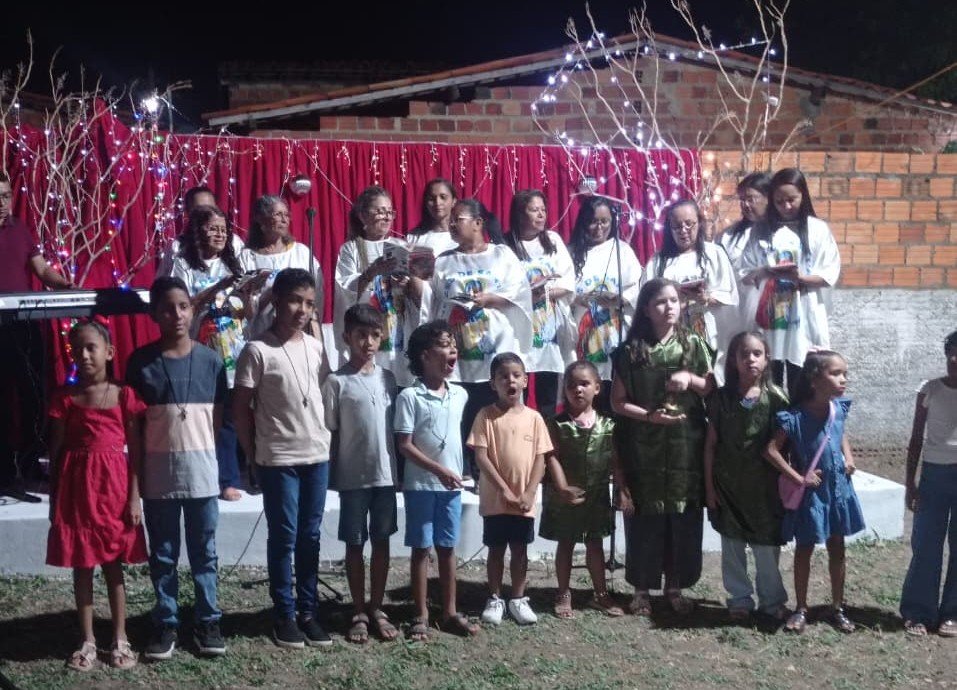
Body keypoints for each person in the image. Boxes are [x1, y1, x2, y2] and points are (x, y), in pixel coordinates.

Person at [126, 277, 227, 660]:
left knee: (205, 552)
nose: (177, 315)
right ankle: (166, 622)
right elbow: (135, 429)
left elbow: (217, 421)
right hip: (159, 476)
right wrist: (136, 486)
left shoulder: (211, 361)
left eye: (183, 306)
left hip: (201, 474)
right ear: (154, 314)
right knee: (164, 554)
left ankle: (208, 620)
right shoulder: (141, 363)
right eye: (167, 309)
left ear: (193, 309)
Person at [234, 268, 334, 649]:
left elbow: (321, 393)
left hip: (316, 454)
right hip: (278, 458)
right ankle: (284, 614)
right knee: (284, 536)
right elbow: (240, 408)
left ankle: (308, 611)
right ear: (276, 301)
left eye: (309, 303)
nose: (302, 310)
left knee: (310, 535)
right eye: (294, 301)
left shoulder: (316, 346)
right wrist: (251, 456)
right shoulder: (257, 350)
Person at [45, 320, 149, 671]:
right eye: (78, 349)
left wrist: (134, 497)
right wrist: (54, 497)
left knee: (113, 564)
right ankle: (87, 639)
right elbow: (56, 450)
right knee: (82, 565)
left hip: (112, 489)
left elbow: (135, 450)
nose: (85, 355)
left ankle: (120, 636)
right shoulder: (65, 398)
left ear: (109, 352)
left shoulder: (123, 395)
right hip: (76, 490)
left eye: (92, 347)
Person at [611, 278, 714, 617]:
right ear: (645, 309)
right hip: (644, 446)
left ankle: (675, 586)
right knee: (645, 517)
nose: (669, 307)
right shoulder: (631, 350)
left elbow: (710, 389)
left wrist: (690, 379)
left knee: (681, 518)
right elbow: (617, 402)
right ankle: (641, 589)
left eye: (673, 300)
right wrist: (649, 417)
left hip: (685, 446)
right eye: (660, 302)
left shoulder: (693, 343)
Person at [428, 199, 532, 477]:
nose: (452, 224)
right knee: (461, 414)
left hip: (496, 348)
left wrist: (491, 299)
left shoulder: (502, 254)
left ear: (478, 223)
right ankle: (461, 469)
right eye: (450, 220)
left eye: (458, 219)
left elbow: (520, 293)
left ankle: (496, 470)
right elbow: (433, 301)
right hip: (458, 352)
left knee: (494, 413)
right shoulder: (444, 260)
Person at [764, 350, 864, 634]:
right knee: (805, 548)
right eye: (835, 373)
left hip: (838, 491)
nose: (843, 379)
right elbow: (770, 451)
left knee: (838, 547)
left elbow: (840, 432)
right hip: (812, 496)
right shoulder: (795, 417)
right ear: (814, 379)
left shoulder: (837, 409)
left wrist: (849, 458)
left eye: (845, 374)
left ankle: (838, 607)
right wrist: (799, 477)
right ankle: (801, 608)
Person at [394, 320, 479, 640]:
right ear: (426, 356)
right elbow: (405, 445)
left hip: (451, 488)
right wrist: (438, 470)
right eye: (445, 345)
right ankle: (420, 614)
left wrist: (454, 472)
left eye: (454, 345)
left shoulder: (460, 395)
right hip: (420, 486)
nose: (453, 351)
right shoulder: (410, 397)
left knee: (447, 547)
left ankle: (450, 612)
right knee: (421, 549)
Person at [321, 303, 399, 644]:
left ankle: (377, 606)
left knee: (382, 541)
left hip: (386, 477)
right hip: (353, 478)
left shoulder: (388, 379)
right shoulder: (336, 381)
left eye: (375, 335)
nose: (368, 342)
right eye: (361, 335)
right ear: (347, 338)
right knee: (355, 543)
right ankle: (357, 610)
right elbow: (331, 429)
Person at [704, 331, 790, 622]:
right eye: (744, 354)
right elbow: (711, 445)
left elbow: (786, 446)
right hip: (728, 486)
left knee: (767, 547)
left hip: (765, 490)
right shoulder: (721, 399)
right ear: (733, 360)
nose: (750, 359)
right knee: (732, 545)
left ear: (767, 359)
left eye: (757, 353)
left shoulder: (777, 399)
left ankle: (772, 600)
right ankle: (739, 598)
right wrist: (710, 489)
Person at [0, 174, 75, 501]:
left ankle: (30, 465)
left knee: (32, 395)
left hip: (24, 326)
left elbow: (42, 270)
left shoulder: (19, 229)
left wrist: (64, 286)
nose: (2, 202)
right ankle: (5, 473)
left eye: (5, 195)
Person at [170, 205, 252, 500]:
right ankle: (208, 477)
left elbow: (248, 313)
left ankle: (235, 477)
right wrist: (218, 288)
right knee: (205, 417)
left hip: (234, 350)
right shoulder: (184, 265)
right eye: (213, 228)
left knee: (233, 416)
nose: (220, 234)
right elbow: (182, 306)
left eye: (224, 229)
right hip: (200, 351)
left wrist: (248, 293)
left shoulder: (234, 264)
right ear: (197, 231)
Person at [738, 168, 841, 399]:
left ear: (803, 195)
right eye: (779, 201)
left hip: (803, 311)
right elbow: (745, 272)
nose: (785, 206)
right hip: (769, 314)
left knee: (802, 379)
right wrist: (765, 270)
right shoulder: (761, 229)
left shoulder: (817, 229)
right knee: (769, 379)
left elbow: (829, 273)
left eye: (791, 199)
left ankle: (796, 420)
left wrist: (799, 278)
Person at [468, 352, 551, 626]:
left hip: (523, 501)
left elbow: (540, 459)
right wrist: (503, 489)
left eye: (516, 375)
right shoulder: (485, 416)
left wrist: (529, 492)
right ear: (493, 383)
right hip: (496, 499)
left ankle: (517, 598)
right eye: (503, 376)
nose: (510, 381)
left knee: (520, 549)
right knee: (495, 549)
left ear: (525, 381)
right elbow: (481, 456)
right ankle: (494, 598)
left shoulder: (535, 418)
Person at [540, 360, 624, 619]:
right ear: (564, 390)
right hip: (565, 496)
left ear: (597, 387)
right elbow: (551, 456)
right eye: (571, 385)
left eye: (584, 384)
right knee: (565, 543)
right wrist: (562, 487)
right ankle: (563, 592)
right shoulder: (557, 423)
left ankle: (600, 594)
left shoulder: (608, 424)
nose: (578, 389)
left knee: (595, 543)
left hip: (597, 496)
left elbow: (616, 460)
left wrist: (622, 489)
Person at [333, 185, 425, 388]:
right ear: (363, 215)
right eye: (380, 211)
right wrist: (371, 273)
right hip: (368, 327)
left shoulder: (401, 245)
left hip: (397, 326)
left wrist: (407, 283)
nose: (386, 216)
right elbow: (345, 291)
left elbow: (420, 296)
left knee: (399, 382)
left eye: (389, 212)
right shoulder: (352, 248)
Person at [641, 199, 738, 385]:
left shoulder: (714, 253)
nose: (683, 230)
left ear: (699, 223)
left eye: (689, 224)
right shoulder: (659, 261)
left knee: (708, 380)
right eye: (676, 226)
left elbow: (729, 294)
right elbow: (646, 299)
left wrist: (705, 298)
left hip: (708, 330)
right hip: (670, 333)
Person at [900, 330, 957, 637]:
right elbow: (915, 439)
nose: (954, 359)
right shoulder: (930, 390)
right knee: (925, 544)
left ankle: (952, 614)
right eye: (951, 352)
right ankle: (918, 612)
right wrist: (910, 483)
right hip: (934, 476)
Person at [504, 190, 575, 418]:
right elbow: (501, 286)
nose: (541, 215)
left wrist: (542, 293)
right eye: (534, 210)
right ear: (519, 214)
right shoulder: (505, 244)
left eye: (543, 209)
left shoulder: (552, 240)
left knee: (548, 391)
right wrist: (526, 295)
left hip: (548, 326)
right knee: (517, 384)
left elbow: (567, 283)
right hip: (518, 325)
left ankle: (548, 435)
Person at [567, 197, 642, 412]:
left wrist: (620, 298)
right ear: (583, 222)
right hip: (583, 334)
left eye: (604, 221)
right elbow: (562, 291)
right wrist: (579, 298)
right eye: (593, 221)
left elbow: (637, 288)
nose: (599, 227)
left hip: (616, 334)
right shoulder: (572, 252)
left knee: (615, 396)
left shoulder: (622, 251)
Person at [239, 194, 323, 338]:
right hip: (261, 332)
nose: (284, 220)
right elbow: (241, 300)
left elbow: (317, 292)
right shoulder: (247, 257)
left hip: (298, 331)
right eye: (278, 214)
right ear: (261, 218)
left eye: (286, 215)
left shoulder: (301, 252)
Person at [718, 173, 772, 337]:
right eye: (742, 199)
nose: (745, 205)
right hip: (736, 308)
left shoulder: (780, 234)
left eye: (751, 199)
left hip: (772, 308)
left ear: (768, 198)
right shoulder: (728, 236)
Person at [157, 186, 245, 278]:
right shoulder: (177, 246)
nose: (206, 214)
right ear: (188, 212)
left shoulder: (233, 242)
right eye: (200, 210)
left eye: (210, 208)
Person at [405, 178, 460, 256]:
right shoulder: (413, 237)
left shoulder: (463, 237)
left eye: (443, 197)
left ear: (454, 201)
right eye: (431, 199)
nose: (437, 202)